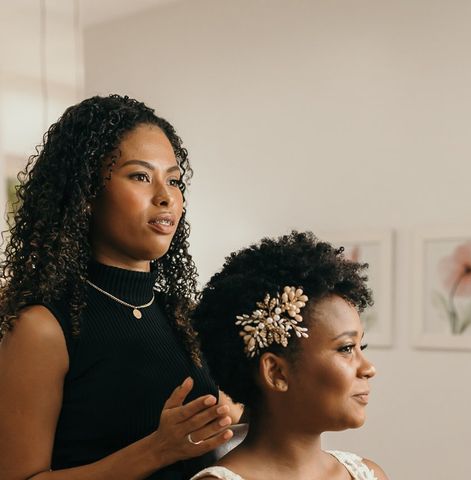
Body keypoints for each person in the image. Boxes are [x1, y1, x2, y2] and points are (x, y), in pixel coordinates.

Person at [0, 95, 235, 480]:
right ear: (87, 193)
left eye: (174, 180)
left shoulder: (181, 316)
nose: (165, 197)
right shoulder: (43, 328)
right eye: (140, 176)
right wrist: (156, 450)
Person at [190, 231, 389, 480]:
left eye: (362, 347)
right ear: (276, 372)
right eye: (346, 348)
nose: (369, 368)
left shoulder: (368, 475)